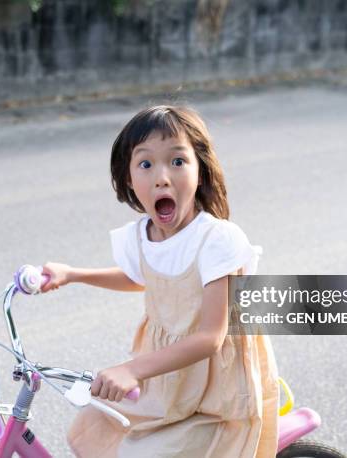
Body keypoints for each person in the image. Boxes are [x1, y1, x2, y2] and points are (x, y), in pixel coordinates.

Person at [41, 105, 279, 457]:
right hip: (165, 375)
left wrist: (131, 370)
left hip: (212, 387)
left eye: (178, 161)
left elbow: (210, 338)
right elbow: (145, 277)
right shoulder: (143, 235)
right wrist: (74, 274)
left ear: (201, 171)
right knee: (90, 429)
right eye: (146, 163)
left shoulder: (217, 240)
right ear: (128, 179)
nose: (162, 177)